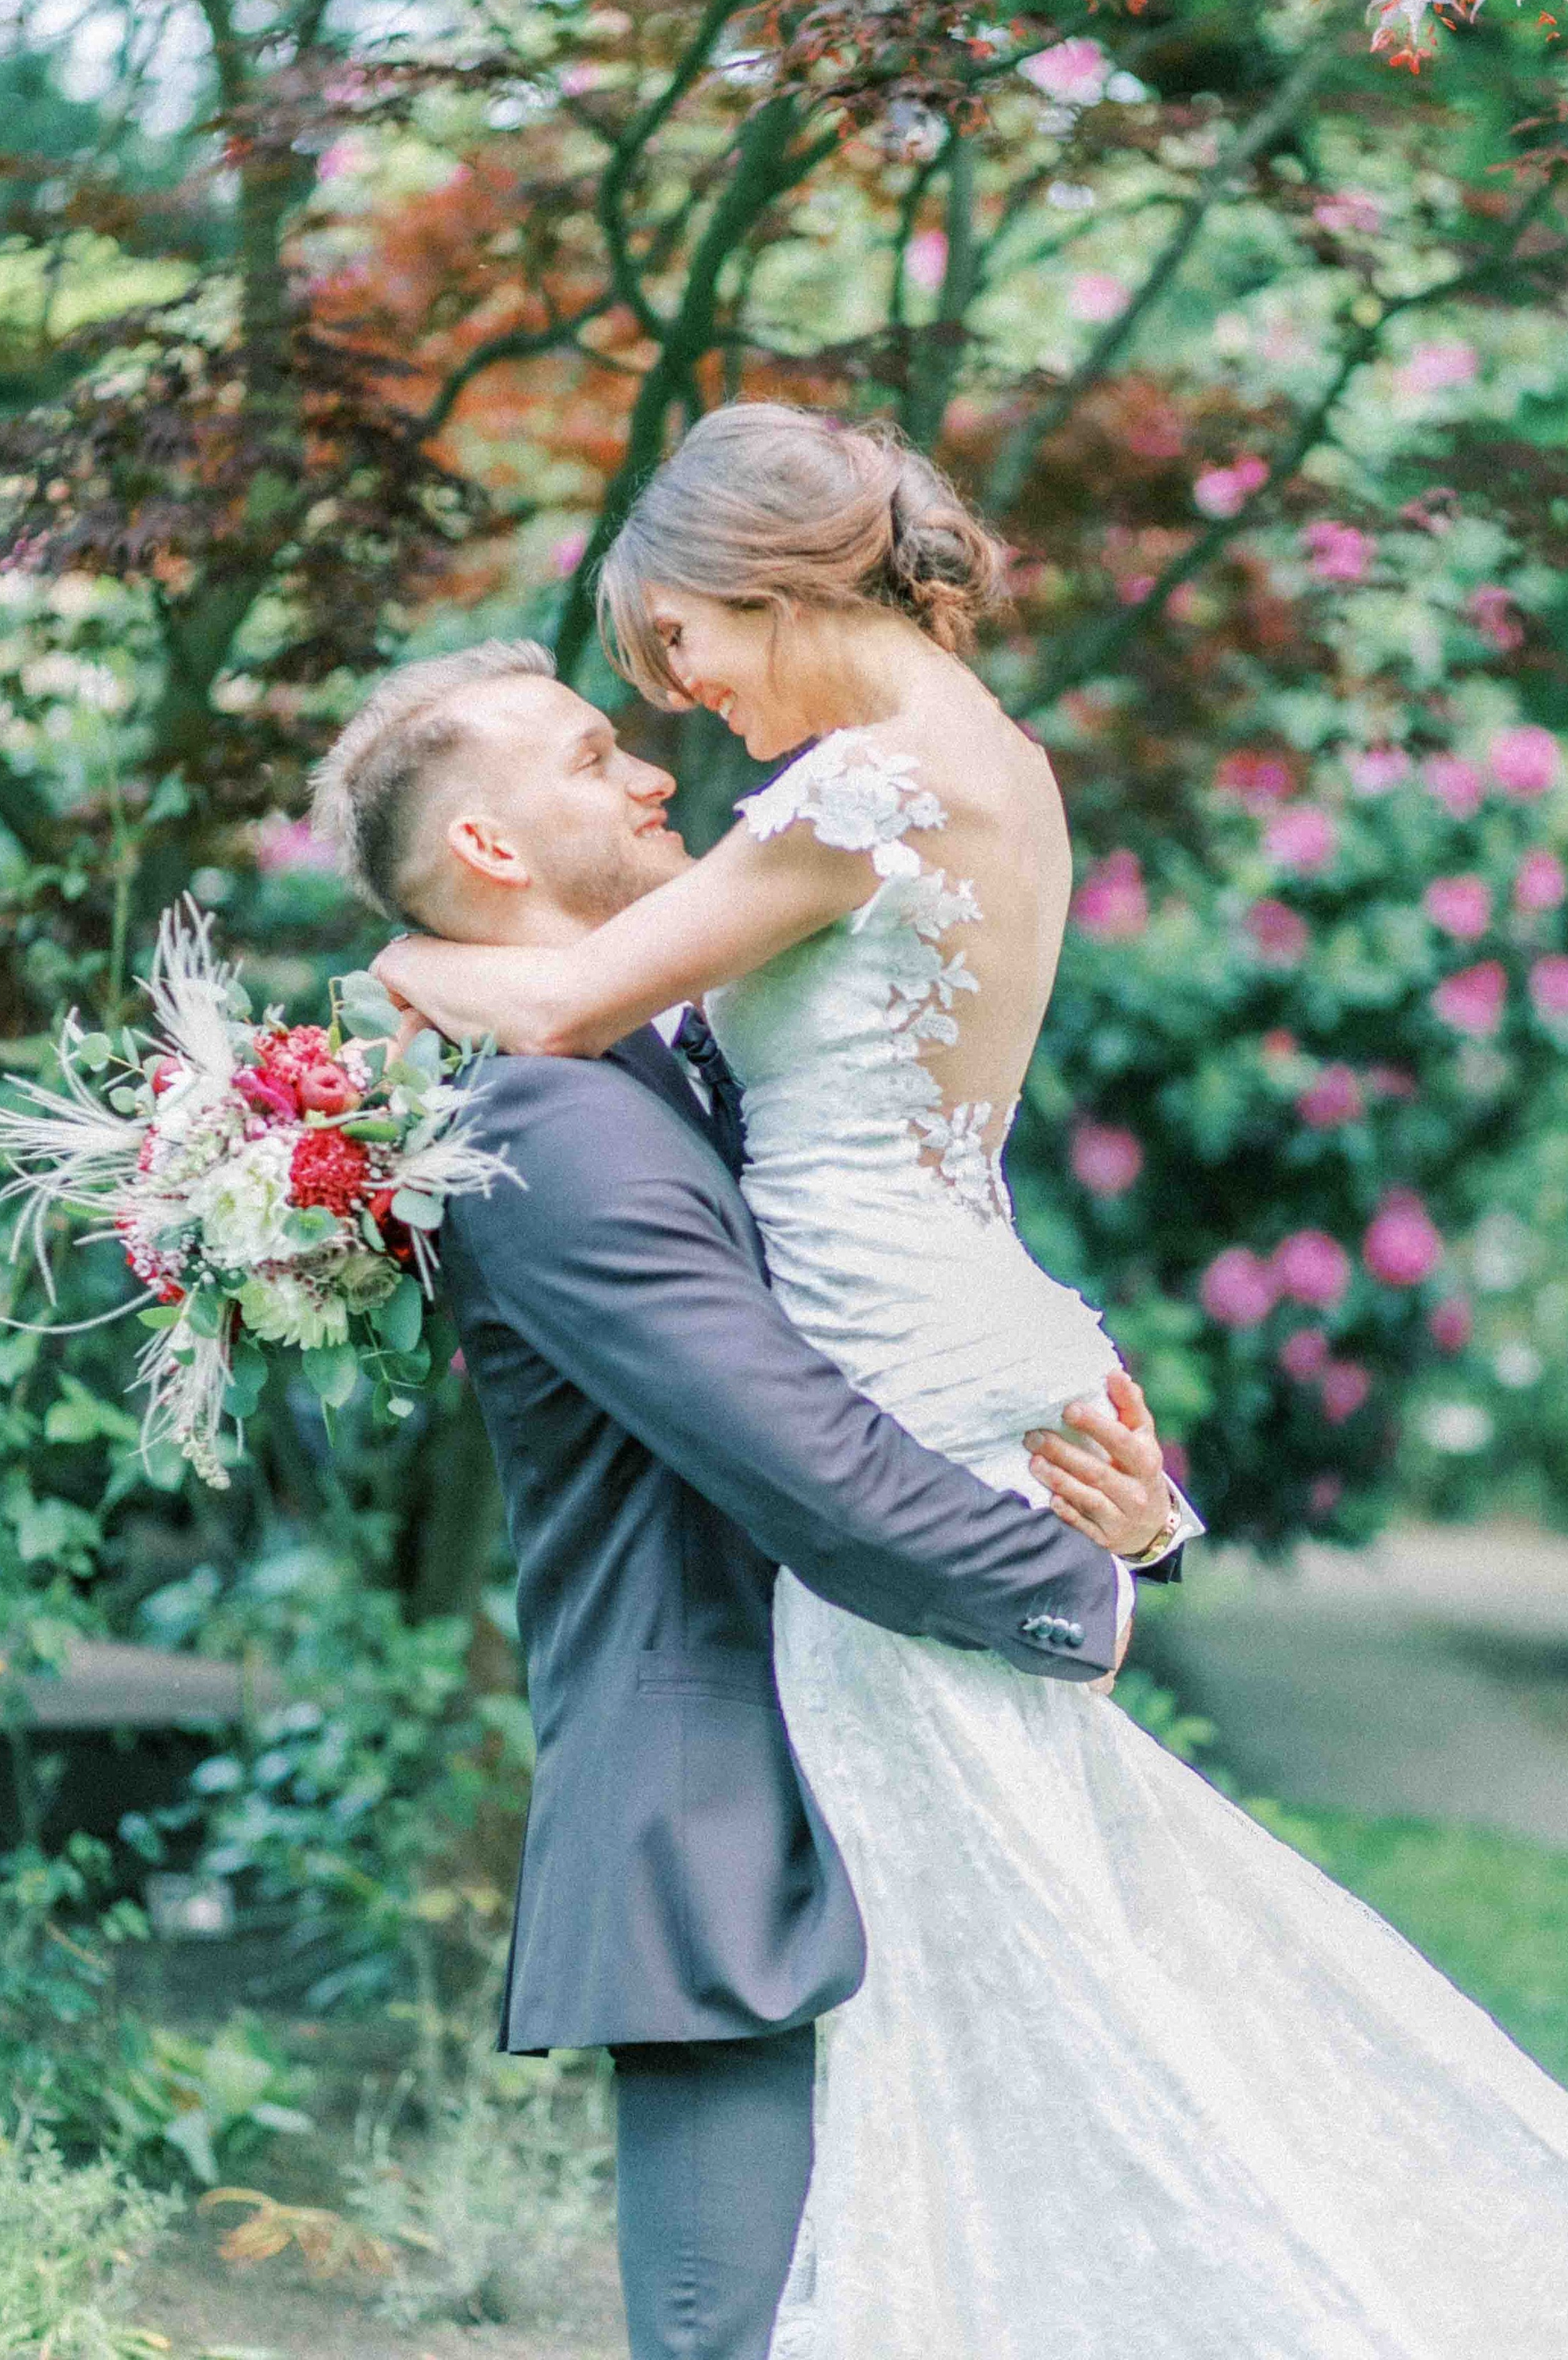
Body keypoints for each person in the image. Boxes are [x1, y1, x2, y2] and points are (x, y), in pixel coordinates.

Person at [372, 403, 1568, 2360]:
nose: (679, 705)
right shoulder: (972, 767)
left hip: (909, 1404)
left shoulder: (859, 791)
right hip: (960, 1336)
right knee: (1037, 1963)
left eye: (674, 649)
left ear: (758, 582)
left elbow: (577, 1001)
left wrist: (364, 1035)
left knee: (1027, 1973)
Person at [309, 639, 1198, 2360]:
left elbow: (887, 1303)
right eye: (588, 758)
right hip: (720, 1799)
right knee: (736, 2335)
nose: (649, 771)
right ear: (491, 852)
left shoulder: (653, 1059)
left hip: (864, 1746)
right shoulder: (549, 1135)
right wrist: (1071, 1595)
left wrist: (1128, 1512)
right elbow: (798, 1450)